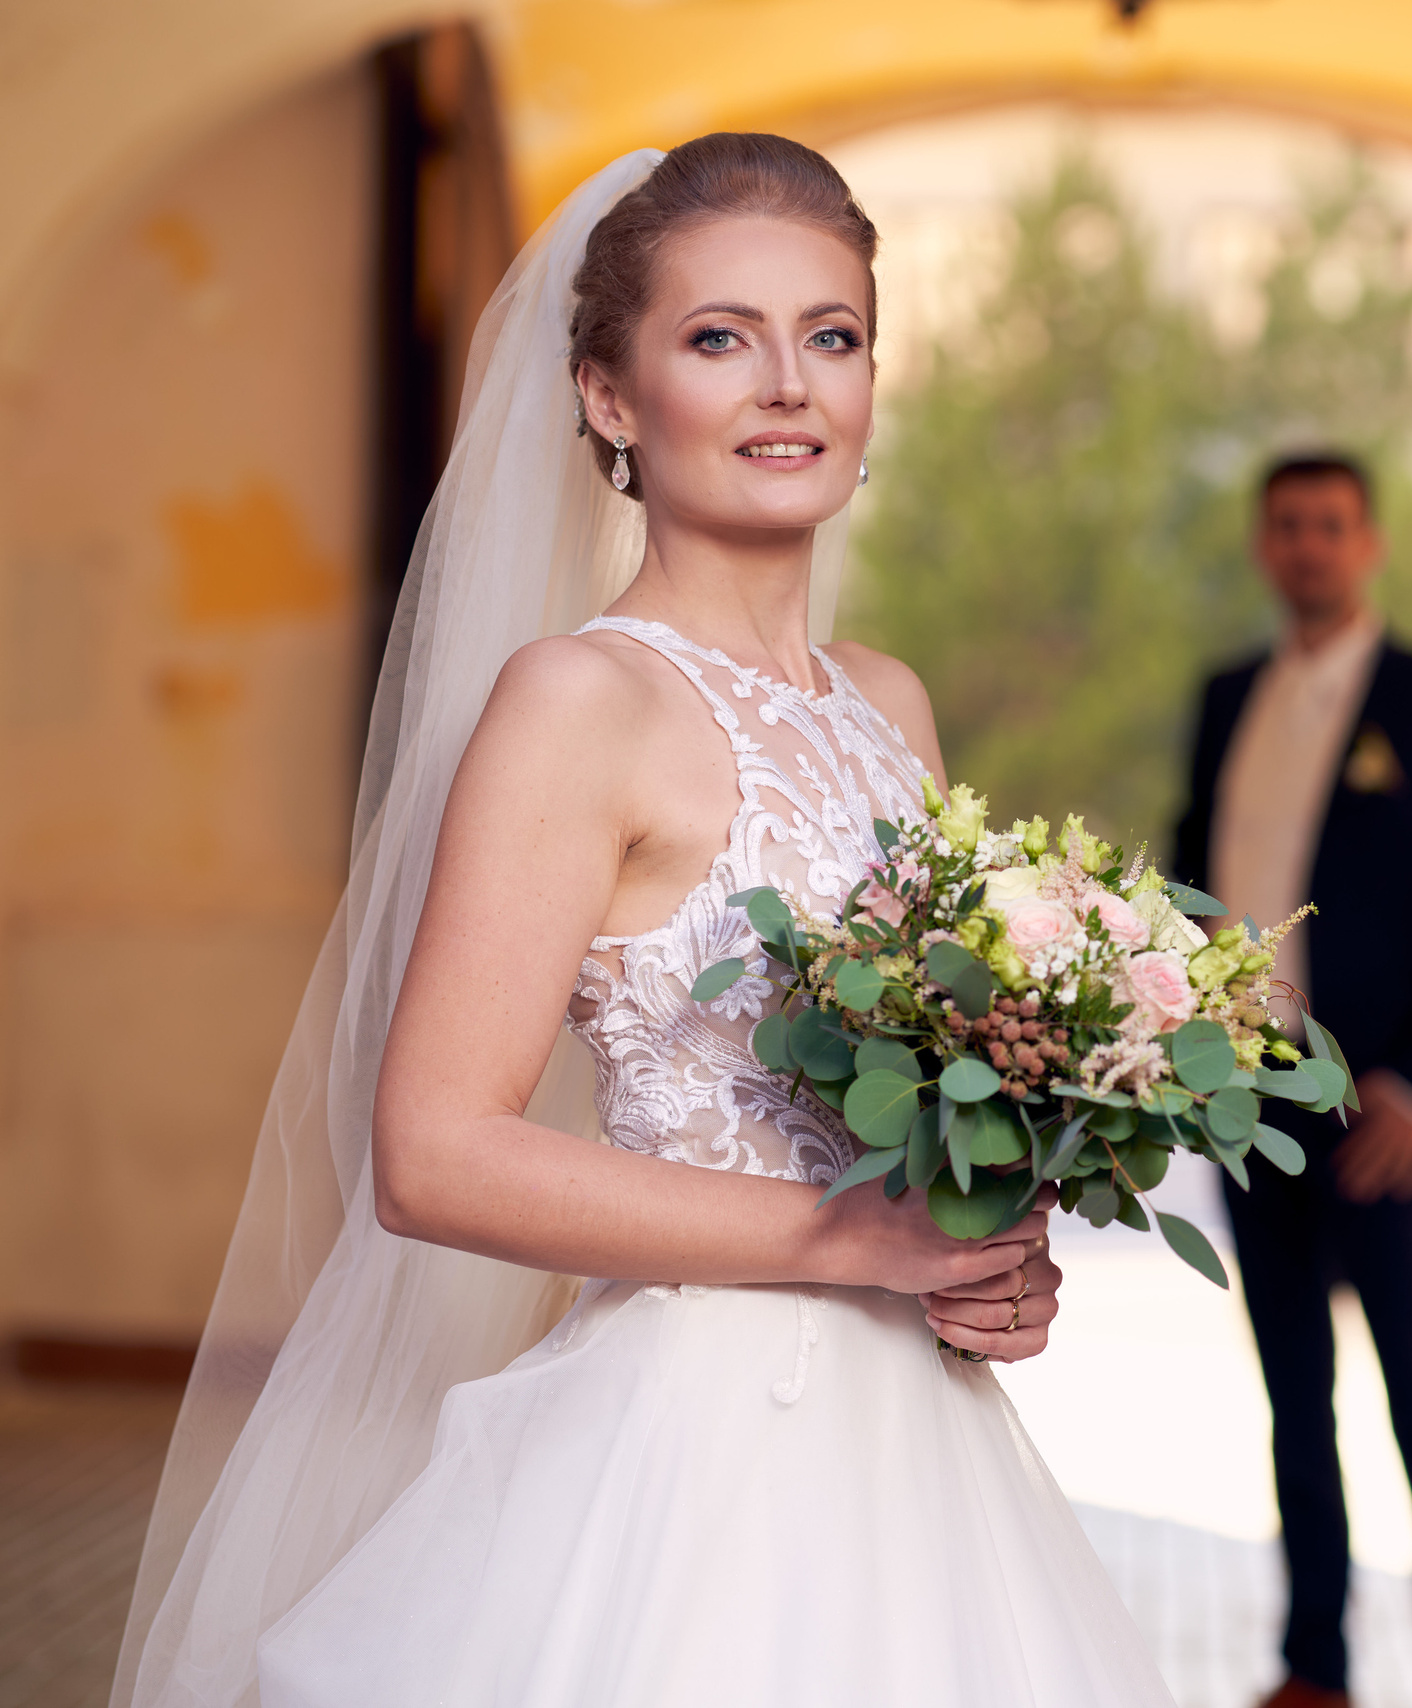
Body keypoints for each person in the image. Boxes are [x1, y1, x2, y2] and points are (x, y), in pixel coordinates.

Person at [112, 135, 1177, 1707]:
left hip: (926, 1463)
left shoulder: (889, 702)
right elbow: (434, 1151)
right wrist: (858, 1241)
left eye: (832, 336)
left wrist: (987, 1259)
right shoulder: (577, 702)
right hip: (692, 1453)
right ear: (611, 398)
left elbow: (933, 1127)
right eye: (717, 338)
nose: (788, 386)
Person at [1173, 454, 1412, 1708]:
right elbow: (1193, 881)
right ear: (1265, 547)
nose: (1307, 546)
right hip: (1246, 1099)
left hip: (1378, 1113)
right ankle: (1313, 1662)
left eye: (1330, 525)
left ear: (1368, 542)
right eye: (1286, 527)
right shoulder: (1224, 699)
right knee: (1291, 1397)